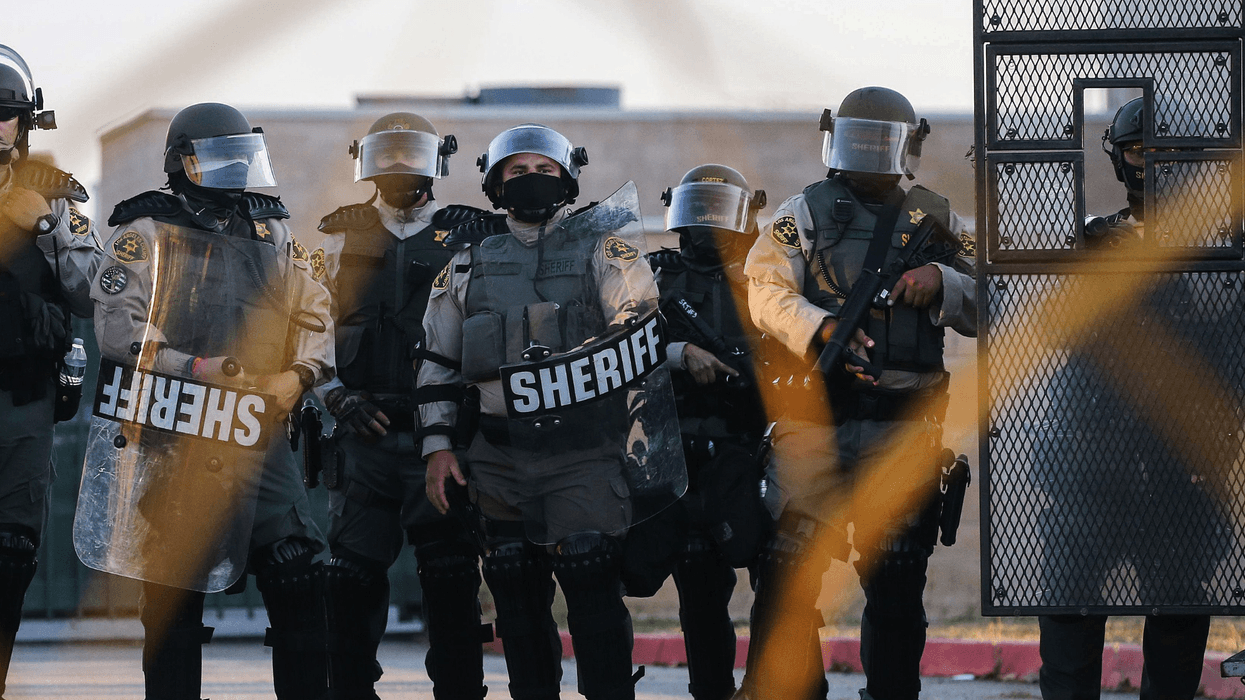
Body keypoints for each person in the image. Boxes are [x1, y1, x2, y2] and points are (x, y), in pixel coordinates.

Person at [738, 87, 976, 700]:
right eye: (859, 139)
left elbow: (995, 299)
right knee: (786, 568)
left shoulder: (938, 217)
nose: (869, 152)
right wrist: (815, 328)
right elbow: (762, 289)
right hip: (816, 422)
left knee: (896, 577)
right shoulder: (804, 212)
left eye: (882, 141)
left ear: (907, 147)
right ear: (836, 141)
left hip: (903, 426)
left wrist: (944, 280)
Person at [89, 102, 332, 700]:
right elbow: (120, 330)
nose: (233, 172)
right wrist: (191, 367)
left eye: (240, 158)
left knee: (301, 573)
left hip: (256, 432)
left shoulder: (270, 232)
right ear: (182, 163)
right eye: (217, 159)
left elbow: (315, 309)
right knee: (174, 598)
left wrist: (298, 376)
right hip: (177, 432)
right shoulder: (143, 233)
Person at [419, 123, 661, 700]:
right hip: (498, 457)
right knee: (514, 587)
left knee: (589, 575)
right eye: (517, 172)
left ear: (569, 179)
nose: (531, 181)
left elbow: (639, 318)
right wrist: (438, 447)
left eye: (545, 171)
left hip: (584, 453)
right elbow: (435, 361)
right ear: (495, 185)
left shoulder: (606, 246)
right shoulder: (465, 264)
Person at [1033, 96, 1229, 700]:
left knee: (1175, 631)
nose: (1153, 165)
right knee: (1067, 624)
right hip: (1088, 467)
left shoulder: (1225, 255)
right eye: (1141, 150)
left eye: (1167, 151)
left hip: (1181, 470)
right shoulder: (1085, 246)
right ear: (1119, 161)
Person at [313, 111, 489, 700]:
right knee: (348, 581)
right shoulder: (337, 235)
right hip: (359, 435)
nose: (397, 167)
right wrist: (333, 397)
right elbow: (305, 328)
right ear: (365, 161)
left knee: (450, 578)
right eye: (385, 156)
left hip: (440, 440)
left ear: (436, 160)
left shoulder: (473, 237)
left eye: (410, 155)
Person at [638, 164, 772, 700]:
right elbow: (610, 347)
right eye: (698, 215)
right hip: (681, 451)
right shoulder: (653, 276)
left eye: (721, 216)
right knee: (698, 580)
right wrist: (676, 354)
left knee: (784, 573)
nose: (707, 229)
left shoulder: (769, 276)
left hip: (754, 449)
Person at [0, 45, 102, 696]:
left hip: (23, 398)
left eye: (2, 114)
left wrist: (42, 227)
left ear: (25, 123)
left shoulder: (55, 196)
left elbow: (94, 294)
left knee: (11, 551)